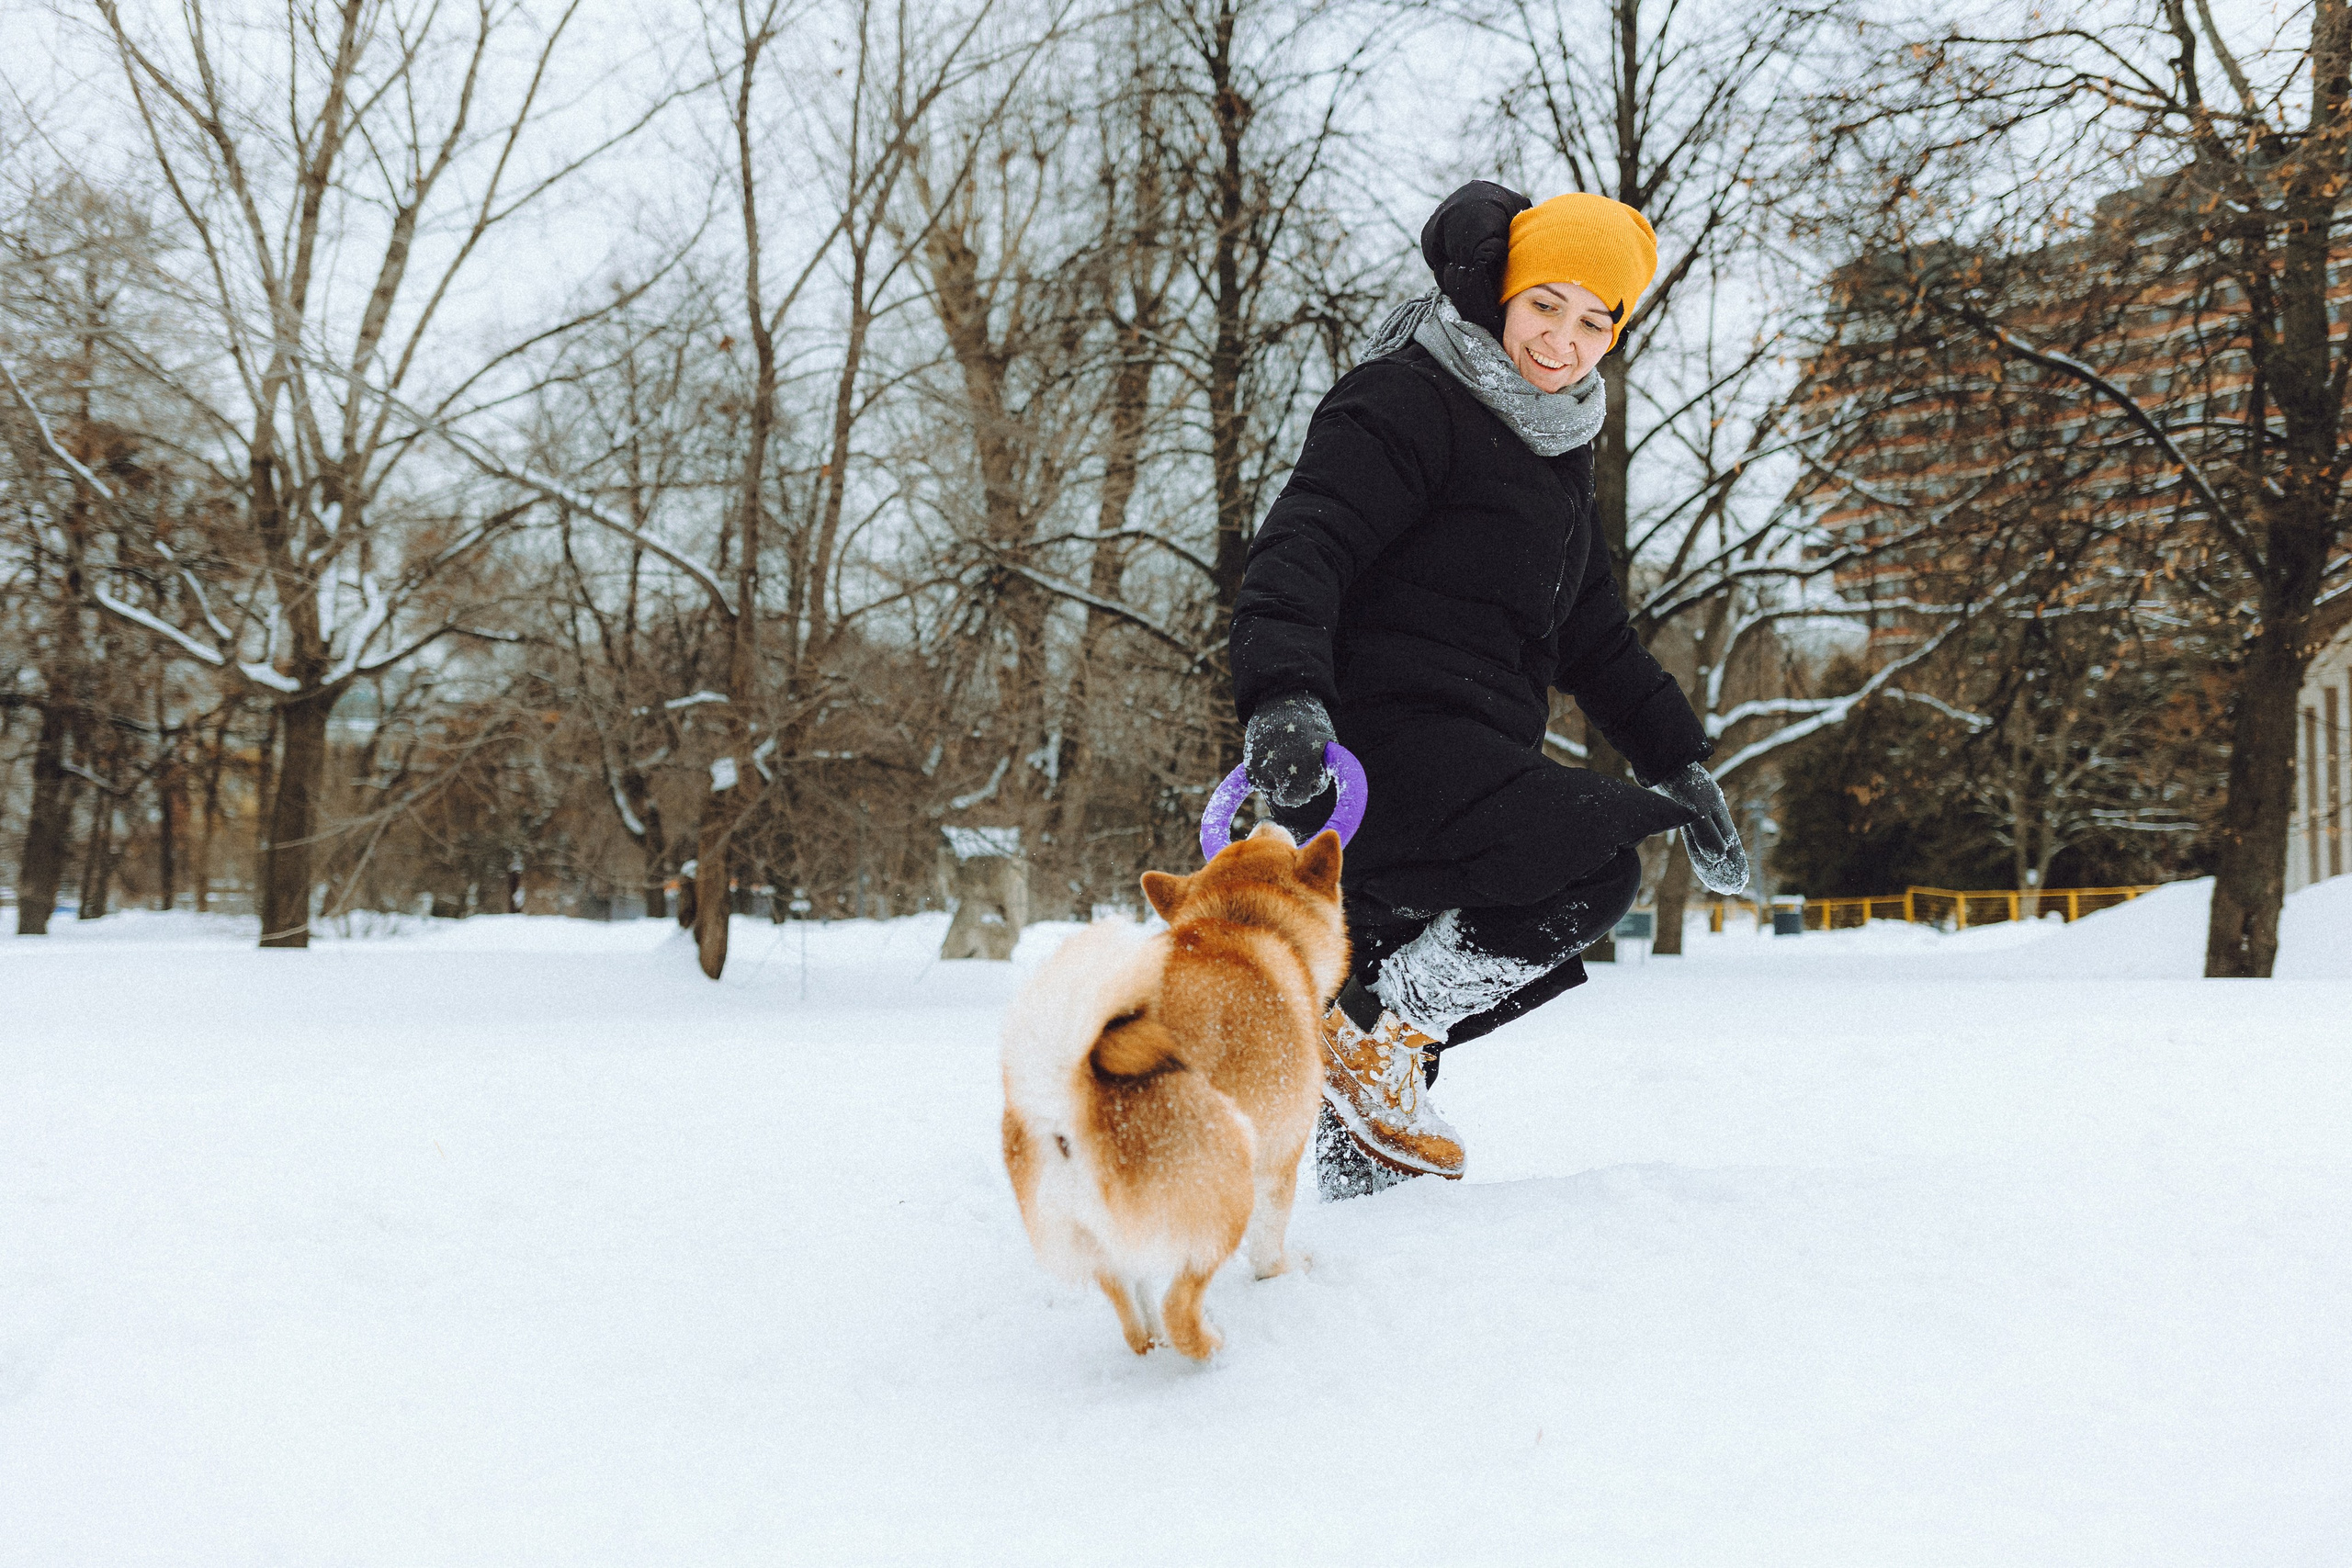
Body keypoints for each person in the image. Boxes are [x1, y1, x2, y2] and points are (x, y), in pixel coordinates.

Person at [1229, 181, 1751, 1194]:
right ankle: (1370, 1035)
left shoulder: (1557, 450)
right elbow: (1307, 542)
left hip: (1476, 757)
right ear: (1502, 292)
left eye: (1594, 321)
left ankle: (1359, 1164)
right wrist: (1284, 694)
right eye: (1545, 305)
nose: (1563, 339)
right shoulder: (1408, 395)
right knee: (1590, 864)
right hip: (1374, 752)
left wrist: (1680, 763)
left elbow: (1596, 636)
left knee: (1382, 1033)